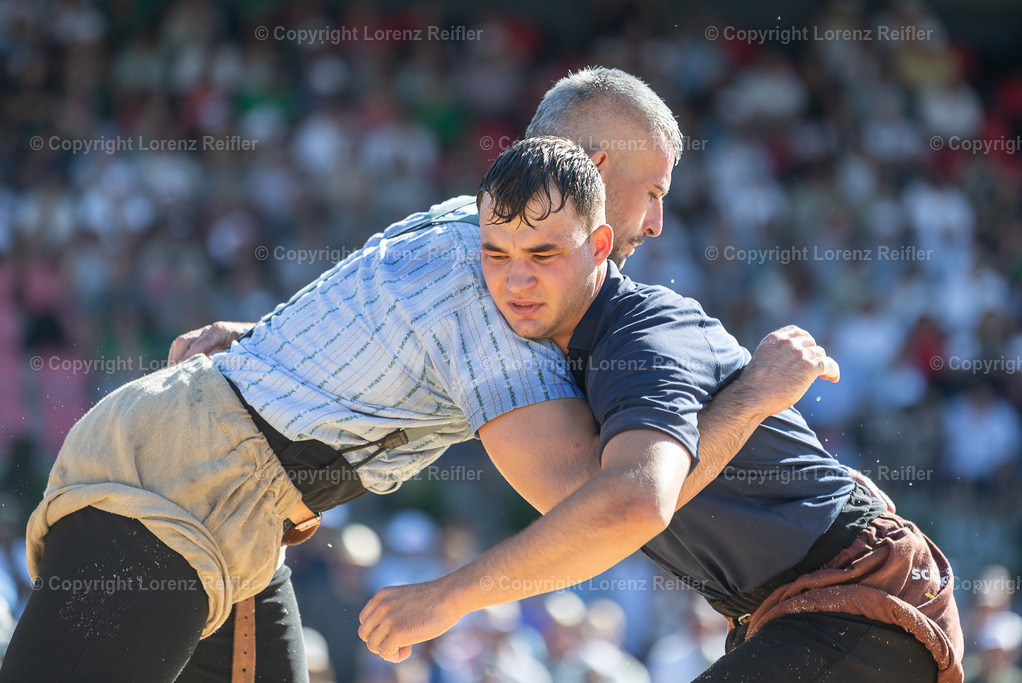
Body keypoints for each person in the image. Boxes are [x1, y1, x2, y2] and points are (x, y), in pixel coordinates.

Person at [0, 68, 830, 682]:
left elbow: (365, 324)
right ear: (592, 169)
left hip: (228, 499)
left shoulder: (463, 220)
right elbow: (603, 505)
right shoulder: (499, 290)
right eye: (650, 191)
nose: (655, 218)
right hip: (177, 488)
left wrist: (253, 337)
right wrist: (749, 397)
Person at [356, 136, 965, 682]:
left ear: (598, 247)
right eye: (497, 255)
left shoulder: (643, 336)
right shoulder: (552, 346)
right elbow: (595, 507)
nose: (516, 282)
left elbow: (634, 502)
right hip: (787, 612)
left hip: (860, 594)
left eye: (542, 256)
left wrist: (449, 595)